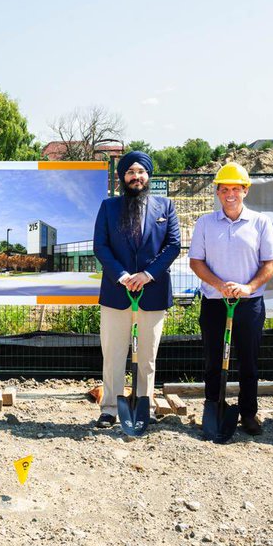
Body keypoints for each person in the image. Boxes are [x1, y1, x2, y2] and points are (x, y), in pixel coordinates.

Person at [188, 163, 273, 436]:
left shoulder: (260, 223)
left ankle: (248, 413)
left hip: (248, 304)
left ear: (246, 191)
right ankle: (214, 407)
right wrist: (220, 285)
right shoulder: (205, 223)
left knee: (249, 361)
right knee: (214, 359)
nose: (230, 194)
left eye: (236, 189)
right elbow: (196, 262)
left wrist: (248, 287)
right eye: (225, 189)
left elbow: (271, 263)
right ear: (217, 192)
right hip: (215, 302)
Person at [92, 150, 181, 428]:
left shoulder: (165, 207)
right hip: (116, 293)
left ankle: (145, 406)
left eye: (141, 172)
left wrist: (146, 275)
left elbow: (173, 245)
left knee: (147, 356)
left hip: (151, 293)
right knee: (114, 355)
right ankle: (109, 409)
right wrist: (122, 275)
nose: (136, 177)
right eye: (130, 172)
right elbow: (101, 246)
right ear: (122, 178)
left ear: (149, 176)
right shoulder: (109, 207)